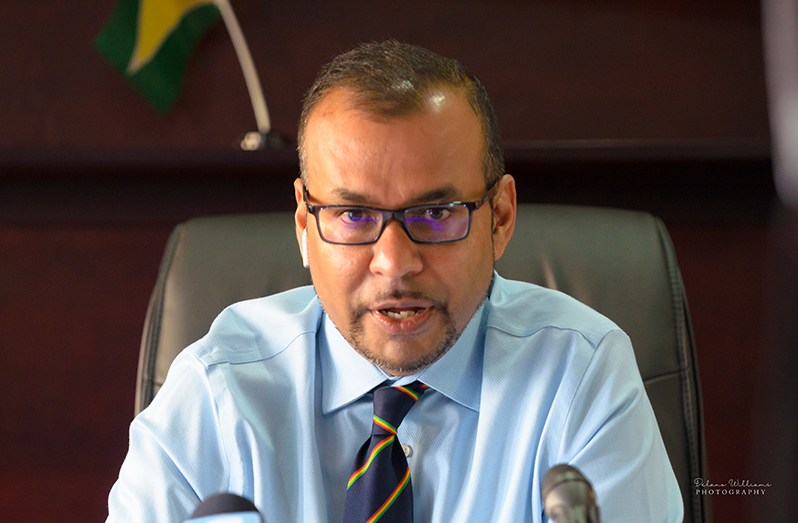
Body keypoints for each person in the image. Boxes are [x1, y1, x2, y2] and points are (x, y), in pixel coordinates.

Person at [106, 40, 682, 522]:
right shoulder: (216, 395)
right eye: (354, 216)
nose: (395, 262)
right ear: (306, 227)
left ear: (500, 218)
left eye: (436, 214)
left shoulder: (579, 376)